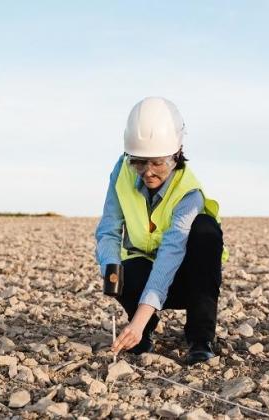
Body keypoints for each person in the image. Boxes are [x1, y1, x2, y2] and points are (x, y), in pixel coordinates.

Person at [95, 97, 227, 365]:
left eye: (158, 163)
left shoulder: (189, 193)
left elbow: (170, 254)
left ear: (176, 154)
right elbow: (108, 229)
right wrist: (110, 267)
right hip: (144, 269)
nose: (148, 172)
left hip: (188, 279)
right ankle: (143, 333)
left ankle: (201, 338)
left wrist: (137, 319)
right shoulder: (121, 171)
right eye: (139, 162)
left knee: (205, 230)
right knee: (119, 268)